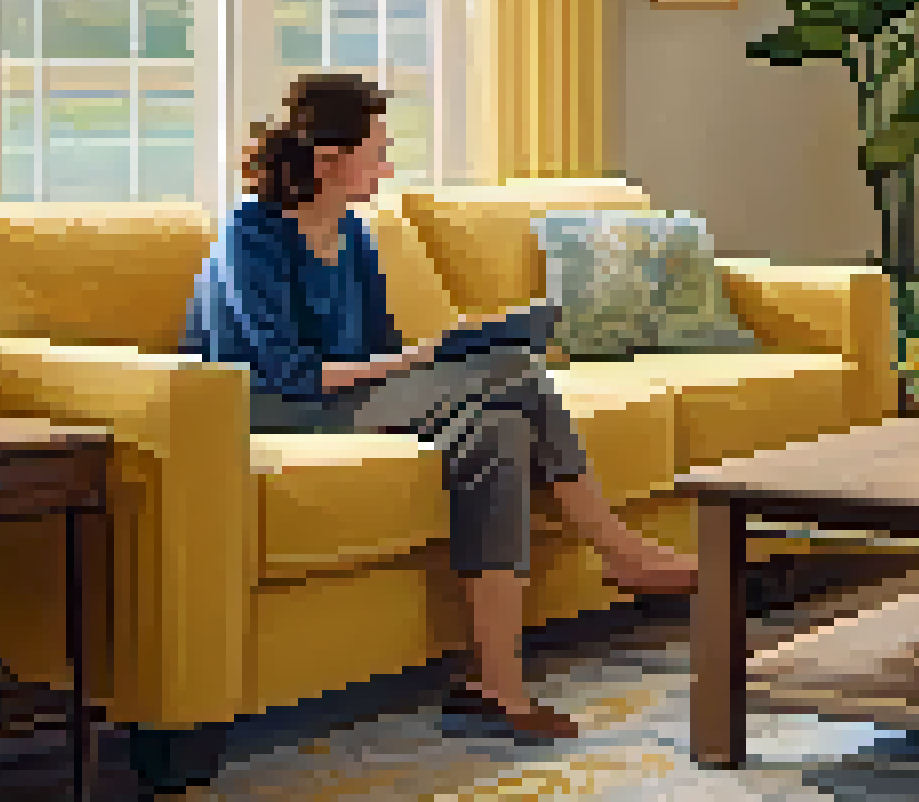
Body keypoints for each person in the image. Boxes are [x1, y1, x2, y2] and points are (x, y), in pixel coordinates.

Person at [179, 72, 698, 742]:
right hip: (267, 407)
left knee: (497, 430)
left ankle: (497, 689)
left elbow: (381, 348)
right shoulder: (250, 235)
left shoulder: (354, 234)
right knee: (514, 370)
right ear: (331, 159)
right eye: (379, 149)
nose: (388, 165)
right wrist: (418, 362)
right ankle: (616, 545)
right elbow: (286, 371)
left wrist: (435, 354)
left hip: (344, 396)